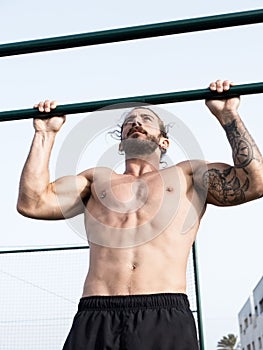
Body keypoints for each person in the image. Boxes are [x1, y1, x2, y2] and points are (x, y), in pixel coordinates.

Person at [17, 80, 263, 350]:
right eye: (129, 121)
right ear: (121, 144)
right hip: (96, 313)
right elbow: (33, 203)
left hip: (164, 312)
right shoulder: (95, 181)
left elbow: (255, 182)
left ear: (164, 141)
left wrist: (228, 116)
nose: (136, 122)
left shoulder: (187, 177)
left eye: (146, 119)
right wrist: (44, 134)